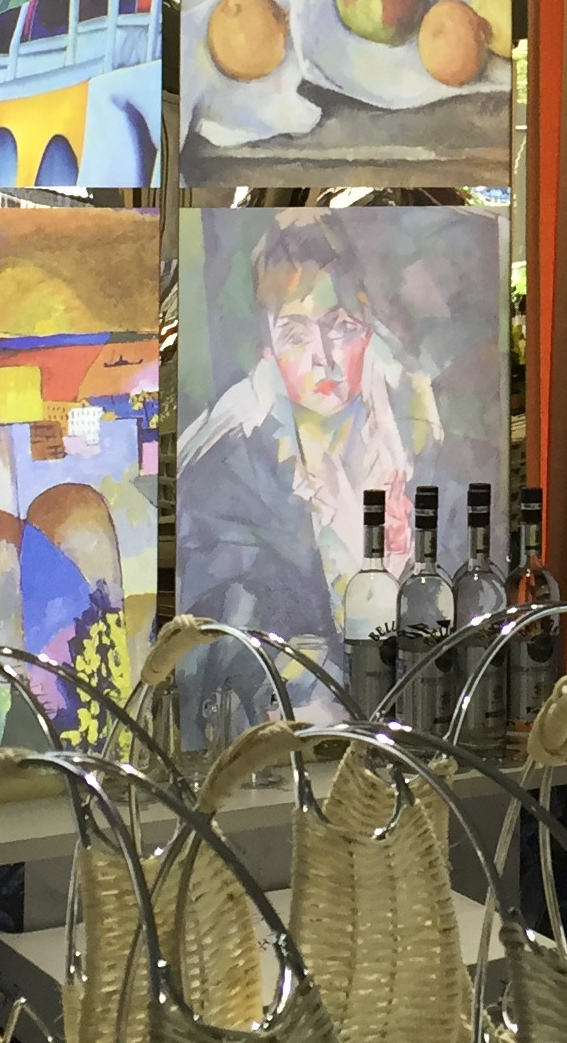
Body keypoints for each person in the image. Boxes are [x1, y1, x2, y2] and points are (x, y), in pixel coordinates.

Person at [174, 216, 488, 713]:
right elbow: (218, 641)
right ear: (267, 348)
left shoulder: (421, 444)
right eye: (295, 334)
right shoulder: (232, 467)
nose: (323, 357)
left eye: (340, 328)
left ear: (368, 329)